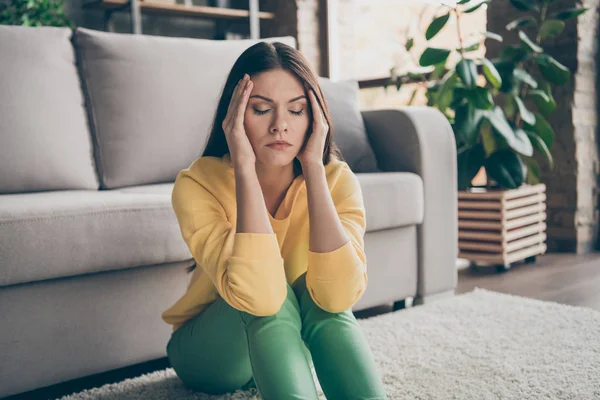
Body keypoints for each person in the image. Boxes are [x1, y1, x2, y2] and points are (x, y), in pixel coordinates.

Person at [161, 41, 387, 400]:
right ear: (234, 115)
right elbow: (261, 296)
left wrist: (314, 169)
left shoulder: (337, 180)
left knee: (321, 298)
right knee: (272, 295)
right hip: (210, 352)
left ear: (315, 118)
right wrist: (245, 168)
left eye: (296, 111)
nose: (280, 126)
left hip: (283, 348)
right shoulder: (197, 184)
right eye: (262, 109)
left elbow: (339, 295)